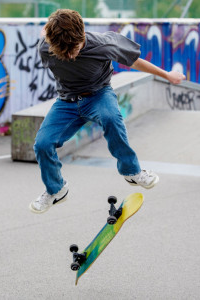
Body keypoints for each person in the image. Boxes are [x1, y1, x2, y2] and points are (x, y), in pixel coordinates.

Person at [29, 9, 186, 214]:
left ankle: (132, 171)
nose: (68, 55)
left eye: (73, 50)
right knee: (42, 144)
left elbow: (134, 60)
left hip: (98, 95)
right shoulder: (46, 47)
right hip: (66, 102)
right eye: (63, 52)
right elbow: (46, 34)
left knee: (111, 118)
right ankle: (56, 190)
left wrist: (167, 75)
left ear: (82, 35)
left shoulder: (104, 44)